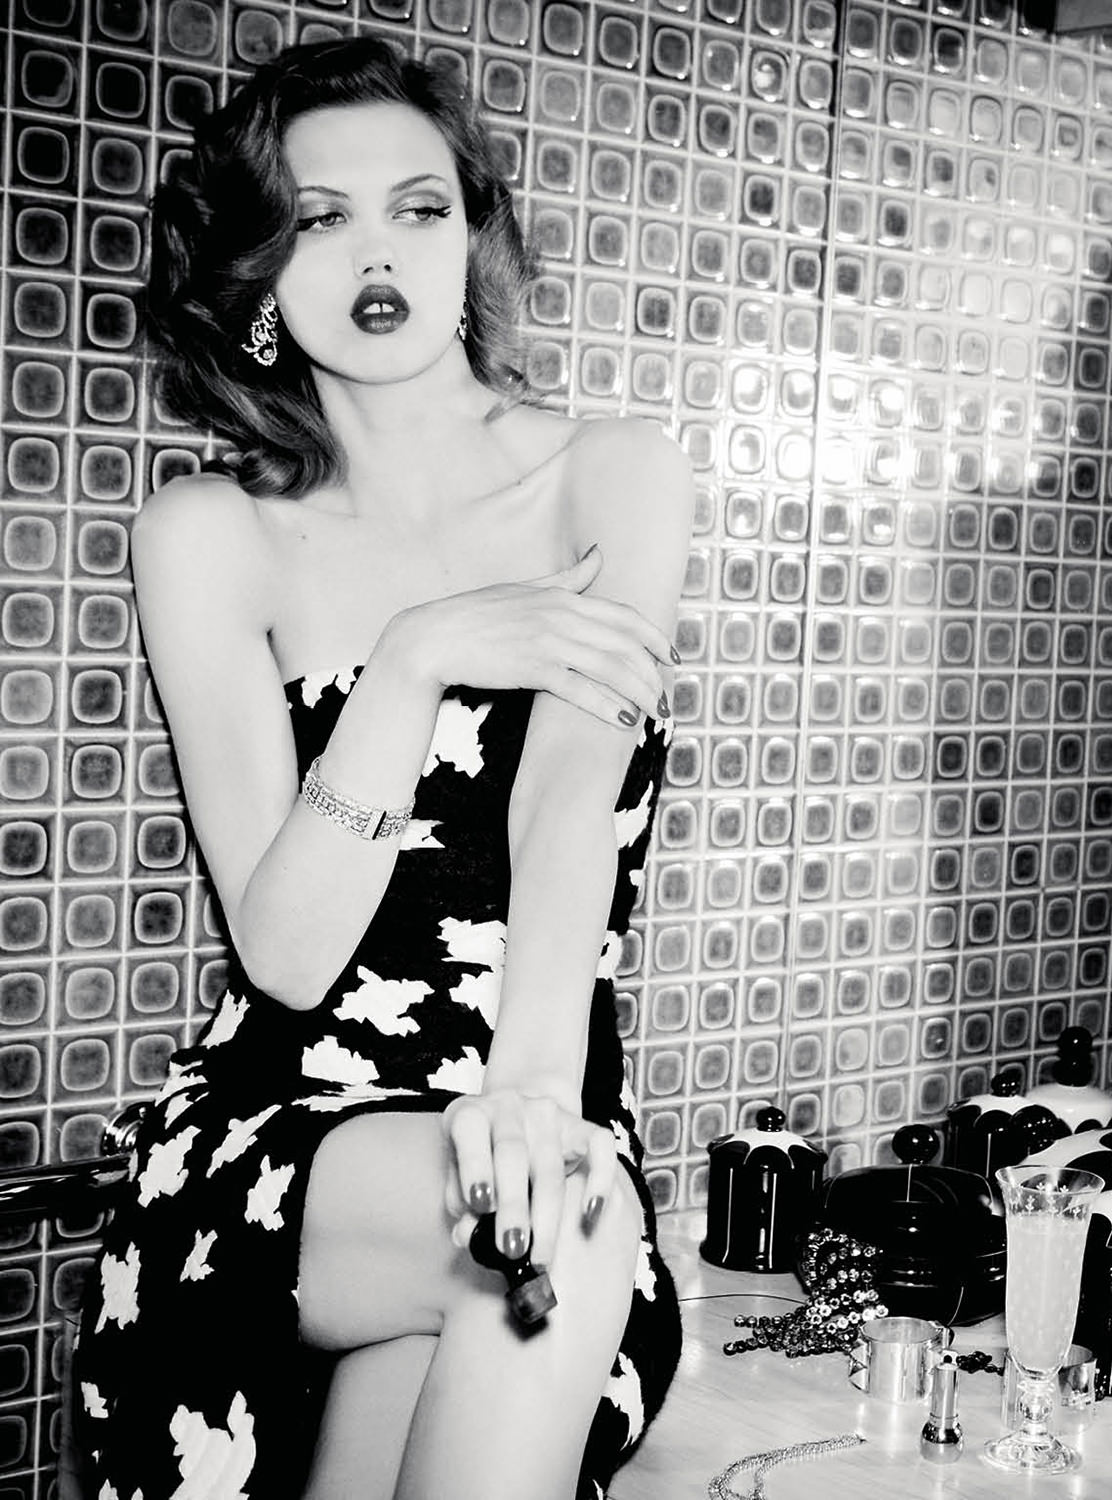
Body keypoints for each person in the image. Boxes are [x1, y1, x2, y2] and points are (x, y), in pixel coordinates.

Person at [71, 38, 691, 1498]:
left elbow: (564, 807)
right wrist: (411, 663)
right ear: (257, 274)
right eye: (319, 217)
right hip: (286, 1138)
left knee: (536, 1222)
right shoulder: (210, 533)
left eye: (418, 208)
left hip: (527, 1110)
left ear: (473, 238)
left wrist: (528, 1096)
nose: (376, 251)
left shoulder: (611, 473)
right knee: (552, 1225)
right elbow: (288, 954)